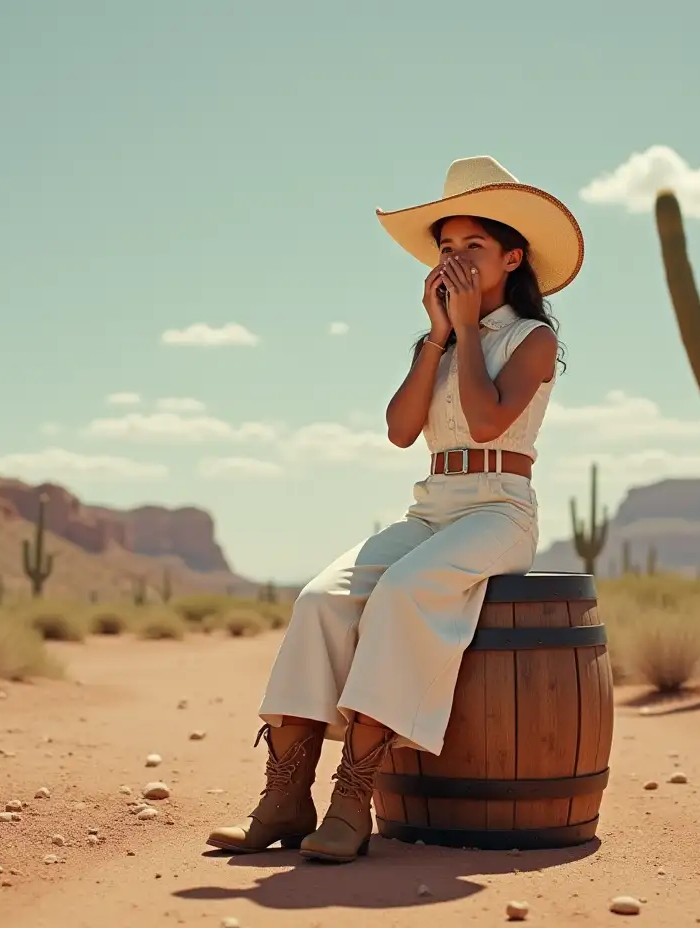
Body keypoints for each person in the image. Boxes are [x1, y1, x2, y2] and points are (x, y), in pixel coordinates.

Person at [206, 155, 585, 864]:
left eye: (474, 247)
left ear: (512, 257)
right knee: (321, 598)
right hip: (431, 508)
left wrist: (469, 330)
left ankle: (355, 798)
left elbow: (483, 422)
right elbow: (401, 430)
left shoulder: (534, 339)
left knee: (406, 593)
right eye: (447, 249)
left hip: (499, 513)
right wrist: (440, 336)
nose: (457, 261)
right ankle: (285, 797)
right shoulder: (436, 342)